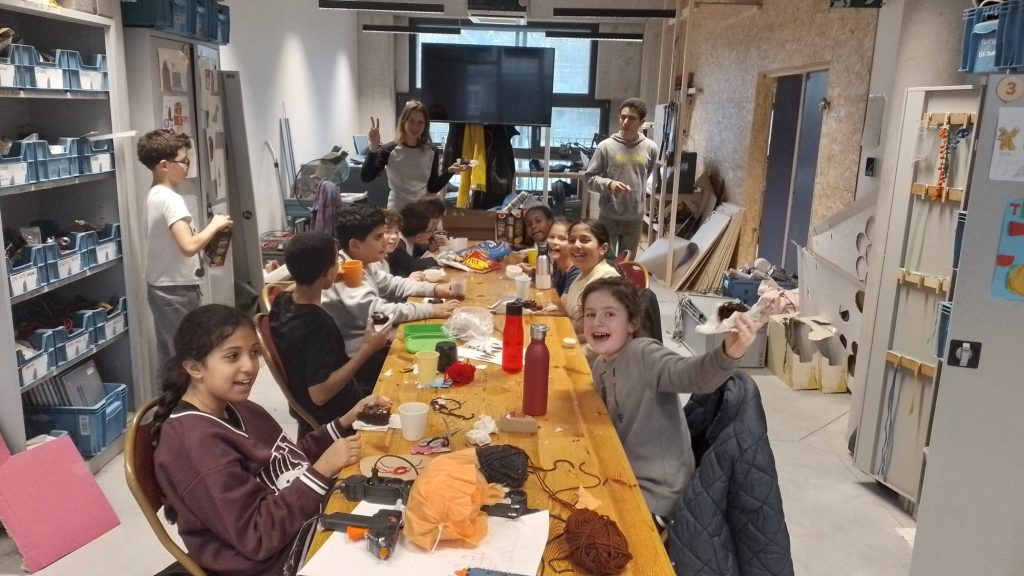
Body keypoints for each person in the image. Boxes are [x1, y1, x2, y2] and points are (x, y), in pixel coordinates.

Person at [151, 304, 390, 576]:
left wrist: (343, 422)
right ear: (195, 368)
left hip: (303, 525)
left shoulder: (236, 406)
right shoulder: (195, 445)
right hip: (277, 562)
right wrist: (322, 469)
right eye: (232, 356)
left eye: (253, 353)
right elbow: (257, 536)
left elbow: (286, 461)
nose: (250, 367)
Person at [581, 277, 761, 531]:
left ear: (632, 323)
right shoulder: (601, 365)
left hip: (659, 496)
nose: (597, 322)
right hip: (623, 475)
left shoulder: (644, 354)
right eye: (590, 314)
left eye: (609, 314)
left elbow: (693, 374)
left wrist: (728, 352)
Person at [322, 203, 461, 389]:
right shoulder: (346, 271)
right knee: (431, 365)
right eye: (378, 237)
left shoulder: (364, 262)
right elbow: (379, 313)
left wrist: (434, 289)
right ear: (355, 245)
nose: (385, 241)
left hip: (376, 342)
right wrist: (431, 309)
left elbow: (393, 284)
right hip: (359, 357)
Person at [270, 231, 392, 437]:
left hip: (306, 398)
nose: (340, 266)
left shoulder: (282, 302)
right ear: (325, 273)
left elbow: (303, 283)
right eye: (337, 262)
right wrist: (367, 348)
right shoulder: (318, 324)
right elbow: (319, 394)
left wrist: (329, 278)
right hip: (336, 412)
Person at [138, 129, 233, 386]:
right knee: (181, 357)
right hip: (175, 291)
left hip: (166, 287)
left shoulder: (155, 195)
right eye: (184, 161)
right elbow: (188, 246)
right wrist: (215, 225)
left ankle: (170, 405)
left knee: (171, 354)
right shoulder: (170, 199)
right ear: (164, 165)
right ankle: (177, 407)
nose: (187, 167)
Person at [584, 98, 659, 259]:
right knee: (605, 263)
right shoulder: (605, 147)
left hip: (635, 219)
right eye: (623, 117)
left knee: (627, 264)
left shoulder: (651, 148)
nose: (625, 122)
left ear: (642, 122)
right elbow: (589, 178)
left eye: (631, 118)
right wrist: (609, 183)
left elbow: (645, 175)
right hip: (608, 217)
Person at [360, 100, 468, 210]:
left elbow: (432, 188)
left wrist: (449, 171)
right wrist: (373, 148)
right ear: (404, 121)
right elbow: (366, 177)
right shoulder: (388, 150)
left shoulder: (432, 151)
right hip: (396, 213)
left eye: (420, 122)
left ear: (425, 125)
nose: (415, 126)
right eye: (411, 121)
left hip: (421, 212)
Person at [562, 219, 621, 320]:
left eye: (585, 240)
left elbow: (601, 325)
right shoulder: (582, 273)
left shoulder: (607, 280)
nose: (576, 245)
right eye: (572, 240)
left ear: (603, 248)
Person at [388, 201, 441, 278]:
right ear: (418, 236)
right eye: (430, 231)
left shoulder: (409, 238)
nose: (432, 233)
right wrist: (437, 260)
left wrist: (430, 247)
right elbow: (412, 266)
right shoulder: (397, 245)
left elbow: (419, 250)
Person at [546, 218, 580, 297]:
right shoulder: (556, 263)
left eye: (562, 238)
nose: (554, 242)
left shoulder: (576, 272)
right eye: (551, 237)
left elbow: (564, 303)